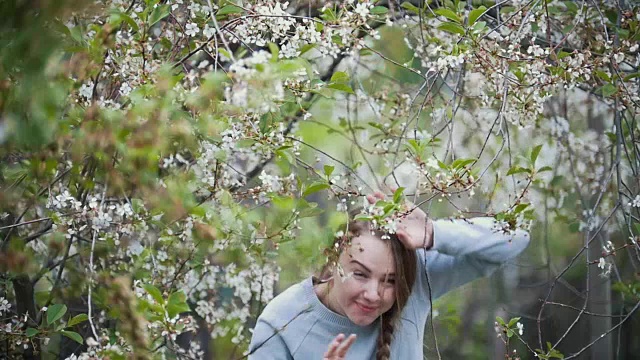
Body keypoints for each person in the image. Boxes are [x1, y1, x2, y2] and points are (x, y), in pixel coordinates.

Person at [248, 193, 530, 359]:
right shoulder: (282, 322)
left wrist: (434, 233)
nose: (373, 294)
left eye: (390, 281)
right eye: (360, 274)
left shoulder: (416, 278)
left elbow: (515, 238)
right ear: (333, 258)